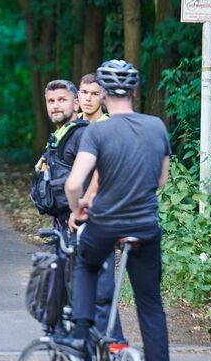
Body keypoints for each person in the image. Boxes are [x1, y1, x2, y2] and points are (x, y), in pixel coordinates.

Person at [58, 60, 170, 360]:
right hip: (145, 226)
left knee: (85, 262)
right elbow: (161, 181)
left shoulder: (98, 132)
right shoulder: (156, 126)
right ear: (134, 91)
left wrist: (78, 208)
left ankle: (80, 334)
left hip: (105, 223)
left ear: (104, 93)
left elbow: (73, 184)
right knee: (150, 306)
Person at [33, 79, 123, 340]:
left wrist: (79, 208)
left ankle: (114, 346)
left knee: (94, 293)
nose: (55, 105)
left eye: (62, 100)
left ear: (75, 103)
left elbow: (103, 172)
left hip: (82, 224)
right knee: (70, 292)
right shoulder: (65, 132)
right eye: (51, 101)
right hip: (63, 225)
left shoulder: (83, 133)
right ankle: (70, 345)